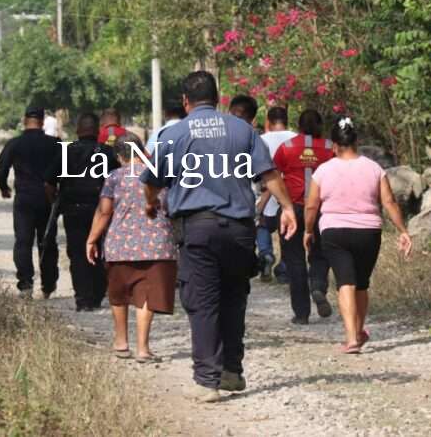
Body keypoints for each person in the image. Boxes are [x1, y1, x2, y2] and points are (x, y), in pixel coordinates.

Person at [142, 71, 298, 403]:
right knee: (233, 299)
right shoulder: (243, 129)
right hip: (240, 230)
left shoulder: (174, 133)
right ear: (219, 97)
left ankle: (208, 380)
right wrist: (287, 208)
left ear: (186, 101)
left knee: (202, 303)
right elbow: (268, 173)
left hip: (197, 230)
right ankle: (232, 370)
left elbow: (153, 180)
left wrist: (151, 201)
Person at [304, 116, 412, 353]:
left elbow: (311, 206)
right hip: (368, 232)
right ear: (356, 142)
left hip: (334, 232)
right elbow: (389, 202)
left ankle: (352, 337)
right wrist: (403, 230)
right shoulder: (374, 168)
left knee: (345, 282)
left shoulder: (323, 170)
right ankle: (360, 330)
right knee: (361, 284)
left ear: (334, 145)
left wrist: (308, 230)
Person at [86, 132, 177, 362]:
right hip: (156, 243)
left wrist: (91, 239)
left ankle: (120, 342)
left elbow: (105, 211)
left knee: (119, 292)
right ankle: (143, 348)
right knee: (147, 294)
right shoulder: (159, 175)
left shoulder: (115, 177)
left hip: (120, 243)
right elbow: (170, 206)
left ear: (119, 155)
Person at [46, 112, 119, 311]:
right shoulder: (108, 153)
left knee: (77, 254)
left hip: (73, 210)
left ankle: (83, 298)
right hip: (101, 210)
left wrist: (55, 203)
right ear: (97, 131)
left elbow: (49, 183)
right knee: (101, 251)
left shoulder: (65, 152)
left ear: (77, 131)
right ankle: (96, 294)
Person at [273, 109, 335, 324]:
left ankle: (301, 314)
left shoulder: (287, 147)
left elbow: (273, 175)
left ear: (298, 125)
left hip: (293, 208)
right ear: (320, 124)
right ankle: (318, 286)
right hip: (321, 208)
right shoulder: (329, 148)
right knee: (320, 253)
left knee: (294, 259)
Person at [0, 106, 62, 299]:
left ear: (25, 120)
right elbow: (66, 170)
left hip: (24, 199)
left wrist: (3, 187)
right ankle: (48, 285)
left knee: (23, 242)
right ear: (42, 122)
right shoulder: (55, 144)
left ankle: (25, 284)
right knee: (48, 242)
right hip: (47, 199)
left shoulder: (15, 144)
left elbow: (2, 168)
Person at [255, 106, 295, 281]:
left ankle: (266, 254)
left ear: (268, 123)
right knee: (287, 231)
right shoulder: (296, 139)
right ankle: (285, 266)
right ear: (286, 121)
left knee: (262, 225)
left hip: (266, 193)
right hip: (290, 197)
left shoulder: (260, 140)